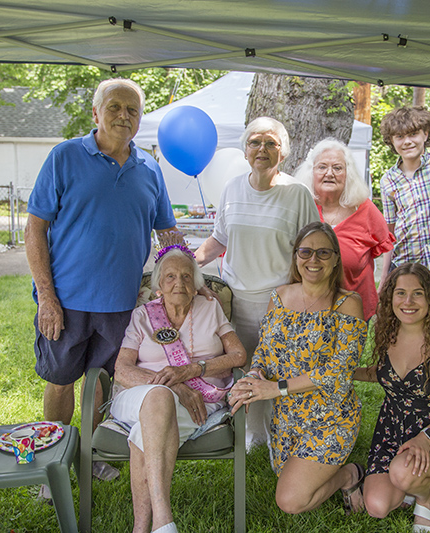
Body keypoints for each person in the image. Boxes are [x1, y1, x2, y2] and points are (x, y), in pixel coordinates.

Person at [25, 78, 179, 482]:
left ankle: (90, 458)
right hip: (66, 299)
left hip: (121, 303)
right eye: (114, 107)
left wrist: (190, 265)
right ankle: (54, 465)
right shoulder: (65, 157)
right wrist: (46, 297)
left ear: (140, 119)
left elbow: (168, 234)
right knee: (61, 382)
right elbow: (35, 229)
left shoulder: (150, 170)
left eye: (132, 110)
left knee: (101, 384)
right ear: (96, 113)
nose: (123, 116)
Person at [195, 117, 319, 448]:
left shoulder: (298, 193)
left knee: (282, 371)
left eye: (271, 143)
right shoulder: (233, 188)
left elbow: (312, 251)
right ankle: (254, 434)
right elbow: (219, 239)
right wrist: (187, 262)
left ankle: (286, 436)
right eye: (254, 142)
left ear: (284, 152)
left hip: (281, 301)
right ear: (245, 148)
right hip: (235, 299)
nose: (261, 149)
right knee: (247, 368)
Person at [228, 222, 367, 515]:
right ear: (295, 256)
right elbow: (264, 351)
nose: (313, 260)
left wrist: (274, 388)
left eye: (323, 253)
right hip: (287, 418)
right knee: (288, 479)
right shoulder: (279, 296)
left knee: (290, 501)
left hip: (331, 416)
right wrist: (255, 376)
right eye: (305, 251)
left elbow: (338, 371)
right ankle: (328, 471)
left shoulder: (347, 304)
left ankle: (348, 474)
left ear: (336, 259)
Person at [110, 245, 246, 533]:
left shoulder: (210, 308)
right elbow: (122, 370)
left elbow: (238, 356)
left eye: (186, 276)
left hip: (201, 399)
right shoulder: (144, 316)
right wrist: (177, 386)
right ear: (159, 284)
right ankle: (163, 518)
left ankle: (142, 528)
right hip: (138, 394)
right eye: (170, 277)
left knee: (143, 433)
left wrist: (194, 370)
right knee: (160, 395)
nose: (179, 283)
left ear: (196, 283)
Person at [354, 263, 430, 533]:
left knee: (403, 473)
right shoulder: (386, 335)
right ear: (391, 298)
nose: (408, 301)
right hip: (390, 431)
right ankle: (402, 481)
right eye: (401, 293)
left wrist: (424, 438)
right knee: (377, 506)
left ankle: (424, 497)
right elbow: (382, 374)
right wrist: (346, 373)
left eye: (417, 293)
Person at [294, 138, 395, 320]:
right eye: (322, 167)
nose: (329, 173)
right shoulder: (301, 207)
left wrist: (382, 282)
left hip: (356, 313)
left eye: (337, 168)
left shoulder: (365, 209)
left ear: (348, 174)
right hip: (309, 312)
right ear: (311, 172)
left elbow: (383, 247)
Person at [378, 106, 430, 284]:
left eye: (413, 134)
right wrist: (385, 275)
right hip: (405, 263)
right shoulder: (388, 180)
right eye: (400, 137)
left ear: (425, 135)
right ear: (392, 141)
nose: (407, 142)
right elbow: (390, 234)